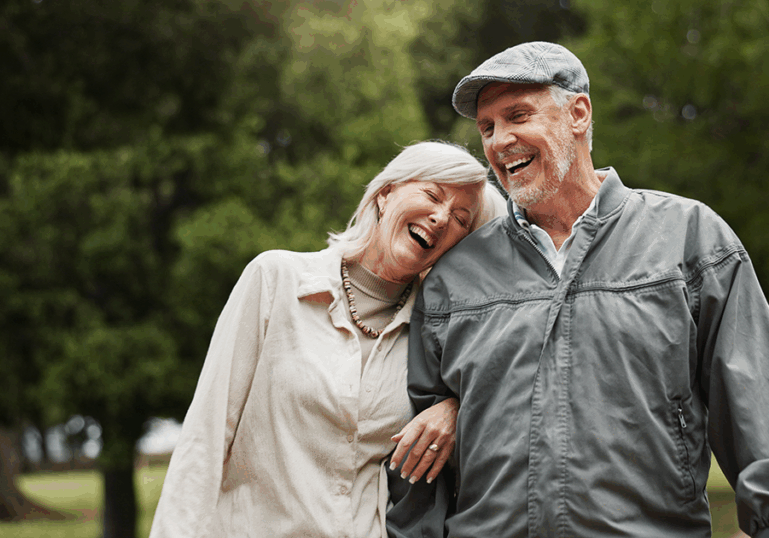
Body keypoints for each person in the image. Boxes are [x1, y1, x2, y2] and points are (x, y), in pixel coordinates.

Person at [387, 42, 769, 538]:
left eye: (517, 116)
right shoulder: (454, 276)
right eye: (487, 127)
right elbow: (420, 468)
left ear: (578, 114)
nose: (500, 141)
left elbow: (756, 415)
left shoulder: (691, 239)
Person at [149, 140, 507, 538]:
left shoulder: (433, 335)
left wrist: (455, 409)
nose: (440, 218)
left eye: (460, 219)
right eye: (432, 195)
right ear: (386, 193)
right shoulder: (276, 280)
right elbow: (206, 436)